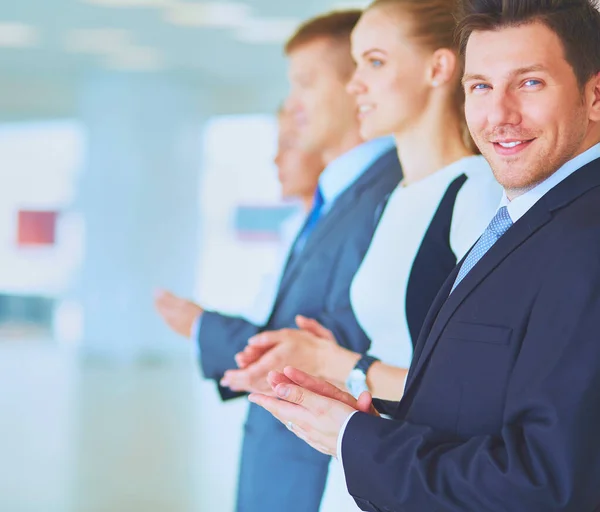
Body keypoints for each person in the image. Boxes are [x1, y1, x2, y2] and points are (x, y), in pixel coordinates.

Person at [249, 0, 600, 510]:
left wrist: (355, 438)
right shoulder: (524, 217)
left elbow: (543, 480)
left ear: (594, 96)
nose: (498, 114)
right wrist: (367, 417)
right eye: (480, 86)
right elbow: (484, 401)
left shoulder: (583, 237)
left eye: (529, 83)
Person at [222, 0, 500, 508]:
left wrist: (342, 363)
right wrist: (319, 358)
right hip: (363, 458)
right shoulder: (393, 198)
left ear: (438, 68)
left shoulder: (475, 193)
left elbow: (476, 391)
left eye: (374, 62)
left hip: (420, 468)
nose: (355, 85)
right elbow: (397, 345)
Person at [160, 10, 403, 512]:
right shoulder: (338, 196)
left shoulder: (390, 191)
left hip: (315, 465)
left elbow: (333, 336)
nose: (293, 104)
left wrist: (204, 328)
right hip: (289, 453)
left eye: (307, 83)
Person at [155, 105, 323, 330]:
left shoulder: (333, 233)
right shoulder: (293, 228)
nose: (276, 159)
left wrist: (201, 327)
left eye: (289, 145)